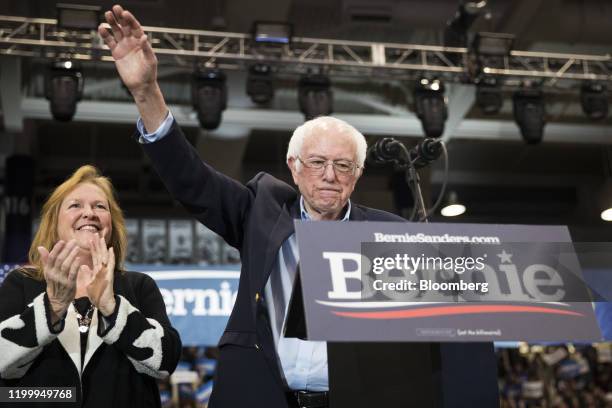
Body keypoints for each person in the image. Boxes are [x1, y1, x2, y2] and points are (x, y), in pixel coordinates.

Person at [100, 5, 498, 408]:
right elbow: (191, 179)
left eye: (343, 165)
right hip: (262, 396)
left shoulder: (387, 236)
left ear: (357, 175)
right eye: (317, 163)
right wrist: (146, 92)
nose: (329, 175)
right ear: (294, 167)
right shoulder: (260, 211)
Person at [0, 165, 182, 408]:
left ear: (111, 224)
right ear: (54, 222)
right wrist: (52, 307)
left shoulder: (138, 286)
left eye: (100, 206)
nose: (90, 213)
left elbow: (165, 361)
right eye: (75, 205)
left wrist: (111, 308)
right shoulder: (21, 281)